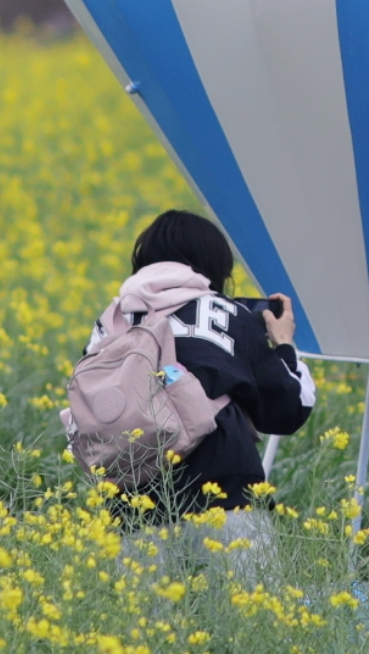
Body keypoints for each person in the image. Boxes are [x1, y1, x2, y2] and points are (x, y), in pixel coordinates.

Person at [79, 208, 314, 528]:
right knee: (245, 581)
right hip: (226, 494)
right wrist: (284, 343)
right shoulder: (228, 313)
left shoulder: (109, 323)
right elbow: (287, 409)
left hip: (130, 504)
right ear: (215, 265)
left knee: (138, 581)